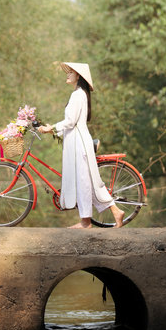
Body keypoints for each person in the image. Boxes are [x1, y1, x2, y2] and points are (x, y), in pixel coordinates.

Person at [38, 62, 125, 229]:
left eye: (70, 72)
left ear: (78, 75)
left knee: (85, 182)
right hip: (76, 141)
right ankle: (111, 213)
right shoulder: (79, 94)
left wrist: (52, 127)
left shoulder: (78, 95)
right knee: (86, 182)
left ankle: (87, 222)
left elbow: (70, 122)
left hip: (79, 144)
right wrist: (53, 131)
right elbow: (73, 123)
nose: (67, 75)